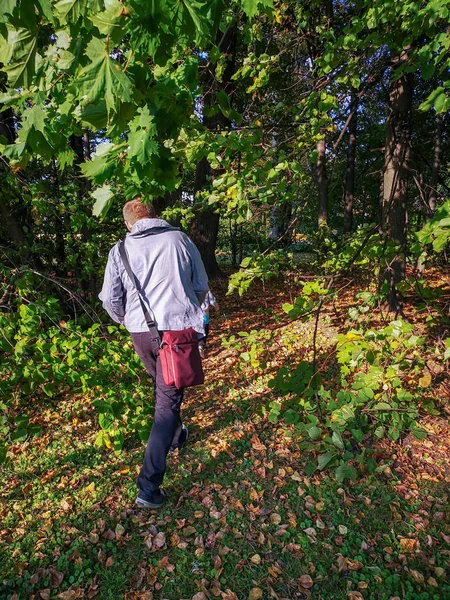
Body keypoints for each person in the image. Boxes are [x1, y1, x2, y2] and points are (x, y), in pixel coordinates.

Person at [99, 198, 209, 509]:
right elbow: (200, 285)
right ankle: (148, 488)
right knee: (167, 402)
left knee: (165, 392)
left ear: (127, 223)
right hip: (176, 333)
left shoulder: (119, 250)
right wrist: (187, 308)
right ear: (155, 216)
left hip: (140, 334)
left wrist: (126, 320)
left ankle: (176, 436)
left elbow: (111, 299)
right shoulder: (180, 239)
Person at [198, 290, 219, 358]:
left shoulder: (189, 287)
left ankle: (197, 347)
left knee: (196, 331)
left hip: (194, 315)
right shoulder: (206, 288)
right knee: (205, 330)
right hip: (204, 314)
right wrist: (217, 307)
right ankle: (201, 346)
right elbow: (212, 300)